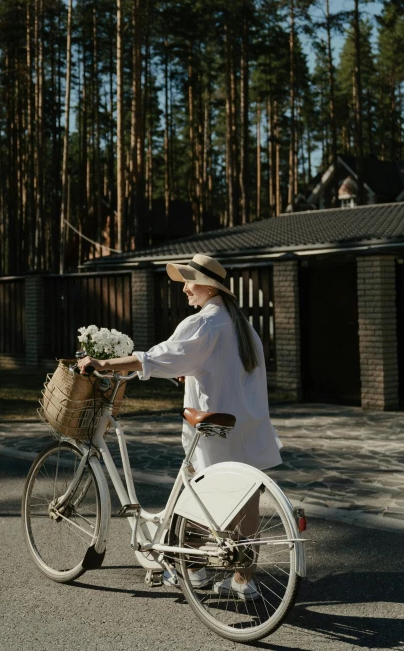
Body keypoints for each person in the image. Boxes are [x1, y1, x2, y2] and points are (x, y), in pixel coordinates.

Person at [78, 253, 282, 601]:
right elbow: (223, 369)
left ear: (207, 286)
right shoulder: (244, 326)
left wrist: (102, 362)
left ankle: (187, 564)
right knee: (246, 502)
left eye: (189, 281)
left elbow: (157, 357)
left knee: (201, 500)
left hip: (216, 431)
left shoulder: (204, 323)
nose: (185, 288)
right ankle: (242, 580)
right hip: (250, 427)